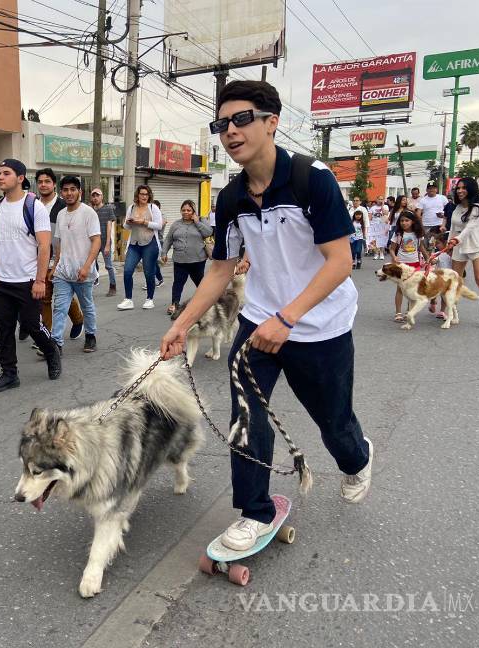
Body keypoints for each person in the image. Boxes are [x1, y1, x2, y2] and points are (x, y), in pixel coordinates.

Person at [161, 80, 372, 551]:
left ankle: (357, 459)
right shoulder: (231, 197)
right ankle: (255, 511)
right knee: (246, 416)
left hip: (319, 327)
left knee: (334, 423)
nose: (230, 132)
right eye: (222, 124)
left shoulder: (311, 178)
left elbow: (340, 261)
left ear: (270, 122)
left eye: (241, 120)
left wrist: (289, 317)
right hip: (259, 323)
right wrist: (181, 323)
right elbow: (220, 269)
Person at [0, 159, 61, 393]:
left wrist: (39, 280)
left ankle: (51, 349)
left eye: (6, 173)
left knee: (32, 325)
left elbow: (44, 247)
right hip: (1, 281)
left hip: (27, 281)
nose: (0, 177)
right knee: (4, 329)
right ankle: (9, 373)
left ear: (21, 177)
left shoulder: (34, 207)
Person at [51, 176, 100, 353]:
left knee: (86, 305)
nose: (69, 193)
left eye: (73, 189)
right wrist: (56, 265)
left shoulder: (89, 213)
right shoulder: (61, 214)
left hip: (83, 271)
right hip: (63, 271)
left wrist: (87, 266)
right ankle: (56, 342)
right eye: (65, 190)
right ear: (61, 192)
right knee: (60, 307)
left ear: (79, 191)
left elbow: (96, 241)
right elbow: (58, 242)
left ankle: (90, 336)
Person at [35, 168, 84, 342]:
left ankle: (78, 319)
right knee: (45, 296)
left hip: (61, 257)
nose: (43, 185)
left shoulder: (64, 206)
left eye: (47, 181)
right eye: (40, 181)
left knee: (62, 294)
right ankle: (47, 336)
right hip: (40, 257)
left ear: (54, 185)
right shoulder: (33, 205)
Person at [446, 178, 479, 326]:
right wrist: (449, 243)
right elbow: (453, 227)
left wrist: (456, 240)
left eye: (463, 188)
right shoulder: (457, 207)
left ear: (471, 189)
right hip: (459, 246)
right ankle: (453, 312)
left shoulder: (478, 207)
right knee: (455, 280)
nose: (460, 190)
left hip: (477, 245)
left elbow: (469, 228)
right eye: (458, 188)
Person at [162, 199, 214, 314]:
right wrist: (164, 252)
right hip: (179, 260)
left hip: (197, 260)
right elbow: (168, 239)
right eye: (183, 210)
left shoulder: (201, 220)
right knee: (178, 283)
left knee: (200, 283)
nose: (186, 212)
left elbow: (208, 233)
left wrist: (197, 222)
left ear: (193, 211)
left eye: (189, 210)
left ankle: (207, 304)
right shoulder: (176, 224)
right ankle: (175, 304)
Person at [117, 185, 163, 310]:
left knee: (149, 272)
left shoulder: (153, 208)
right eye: (142, 194)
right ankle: (128, 299)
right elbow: (126, 227)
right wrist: (128, 222)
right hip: (134, 244)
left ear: (149, 196)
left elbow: (159, 225)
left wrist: (143, 222)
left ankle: (149, 299)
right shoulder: (131, 207)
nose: (144, 196)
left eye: (146, 194)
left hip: (150, 244)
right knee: (127, 271)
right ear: (137, 195)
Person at [389, 211, 430, 322]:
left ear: (413, 221)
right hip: (401, 264)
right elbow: (392, 248)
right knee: (400, 289)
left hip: (415, 264)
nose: (404, 223)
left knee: (412, 289)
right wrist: (394, 257)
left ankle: (409, 311)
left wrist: (428, 259)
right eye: (402, 221)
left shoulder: (418, 234)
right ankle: (398, 313)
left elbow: (421, 248)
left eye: (407, 220)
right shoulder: (398, 234)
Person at [89, 187, 117, 296]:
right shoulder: (90, 210)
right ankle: (91, 285)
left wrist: (107, 245)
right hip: (93, 242)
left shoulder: (108, 209)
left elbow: (109, 226)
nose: (95, 198)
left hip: (105, 241)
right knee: (91, 264)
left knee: (108, 265)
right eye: (93, 195)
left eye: (97, 195)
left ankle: (113, 286)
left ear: (102, 197)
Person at [416, 181, 448, 249]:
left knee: (439, 245)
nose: (431, 190)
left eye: (433, 188)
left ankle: (438, 258)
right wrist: (421, 227)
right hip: (426, 226)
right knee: (426, 245)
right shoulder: (423, 200)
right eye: (429, 188)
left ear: (436, 189)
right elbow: (418, 214)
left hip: (439, 226)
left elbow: (448, 211)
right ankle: (428, 258)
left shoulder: (442, 198)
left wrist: (442, 215)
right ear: (427, 190)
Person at [151, 199, 166, 287]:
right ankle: (159, 279)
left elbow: (160, 226)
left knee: (152, 262)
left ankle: (152, 281)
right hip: (149, 241)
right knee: (152, 262)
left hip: (158, 241)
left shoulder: (162, 216)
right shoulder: (150, 216)